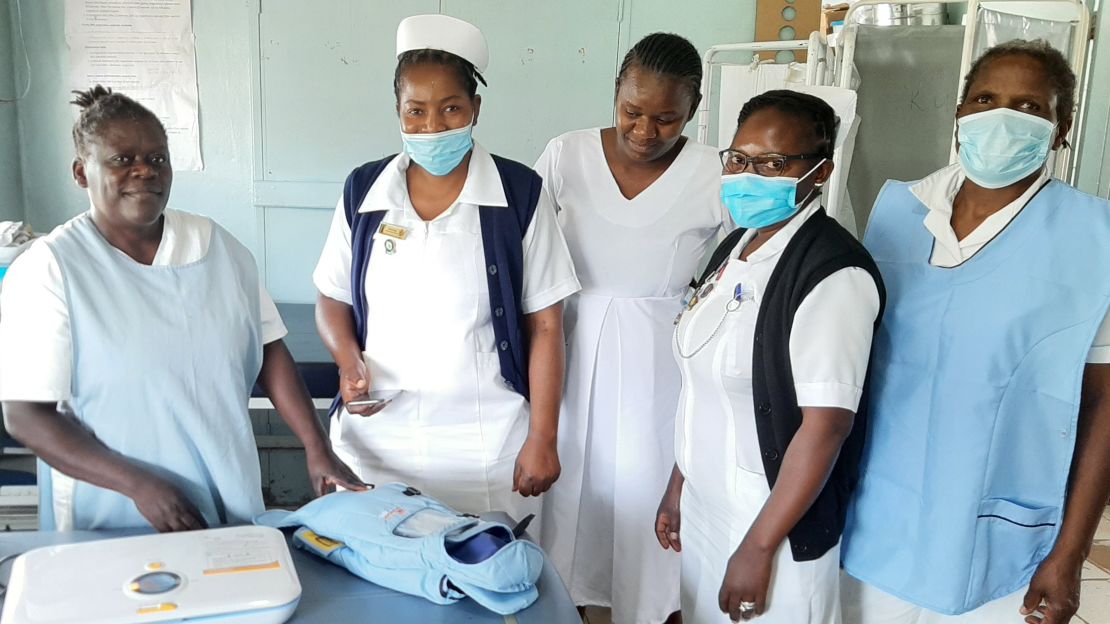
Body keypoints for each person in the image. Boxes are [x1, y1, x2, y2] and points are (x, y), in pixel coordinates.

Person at [0, 86, 362, 532]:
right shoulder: (51, 268)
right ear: (81, 172)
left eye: (157, 159)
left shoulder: (218, 249)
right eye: (122, 159)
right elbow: (26, 415)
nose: (144, 172)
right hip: (110, 510)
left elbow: (269, 351)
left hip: (224, 491)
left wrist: (316, 445)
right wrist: (140, 486)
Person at [841, 39, 1110, 624]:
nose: (1002, 118)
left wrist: (1070, 554)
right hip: (876, 513)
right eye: (985, 99)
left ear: (1061, 131)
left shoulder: (1095, 238)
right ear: (959, 115)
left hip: (997, 532)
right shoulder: (896, 211)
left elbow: (1104, 408)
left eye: (1030, 107)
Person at [313, 15, 580, 523]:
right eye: (415, 112)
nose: (432, 127)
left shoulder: (517, 193)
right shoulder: (364, 192)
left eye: (451, 109)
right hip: (377, 435)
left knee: (487, 574)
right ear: (397, 111)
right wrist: (349, 362)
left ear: (476, 109)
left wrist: (543, 437)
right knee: (376, 572)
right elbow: (331, 297)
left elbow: (546, 324)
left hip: (483, 440)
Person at [656, 90, 884, 623]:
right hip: (708, 507)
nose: (747, 174)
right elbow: (703, 381)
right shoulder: (734, 248)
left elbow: (825, 427)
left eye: (773, 163)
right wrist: (678, 484)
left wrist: (759, 548)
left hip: (771, 521)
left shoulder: (833, 273)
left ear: (821, 171)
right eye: (739, 158)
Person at [534, 32, 730, 624]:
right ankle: (567, 607)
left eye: (667, 119)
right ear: (615, 94)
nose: (645, 132)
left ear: (693, 110)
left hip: (660, 367)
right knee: (570, 499)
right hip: (567, 350)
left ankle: (647, 612)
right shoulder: (566, 156)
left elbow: (733, 277)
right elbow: (527, 257)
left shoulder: (714, 172)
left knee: (646, 502)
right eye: (632, 112)